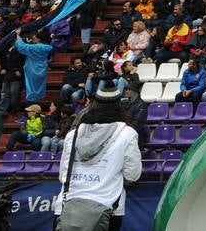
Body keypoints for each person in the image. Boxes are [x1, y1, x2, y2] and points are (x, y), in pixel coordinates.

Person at [54, 81, 143, 231]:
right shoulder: (127, 134)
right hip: (108, 208)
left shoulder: (73, 135)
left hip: (67, 208)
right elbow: (132, 175)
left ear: (94, 105)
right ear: (118, 105)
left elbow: (63, 175)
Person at [14, 28, 54, 106]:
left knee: (31, 90)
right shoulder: (47, 47)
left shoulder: (33, 48)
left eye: (34, 38)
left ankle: (31, 109)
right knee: (39, 89)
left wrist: (18, 35)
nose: (32, 39)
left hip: (32, 69)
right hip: (42, 68)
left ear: (39, 39)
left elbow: (21, 46)